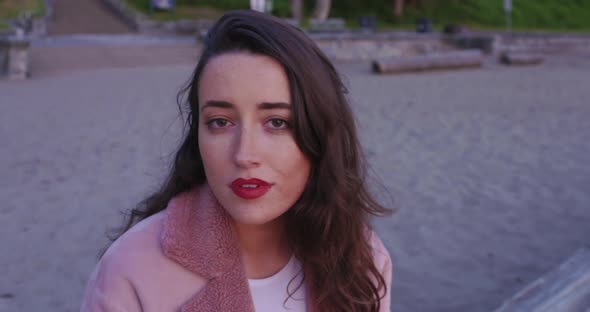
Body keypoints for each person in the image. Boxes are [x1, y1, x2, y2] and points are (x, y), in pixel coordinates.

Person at [81, 10, 392, 312]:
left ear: (321, 132)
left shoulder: (364, 261)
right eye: (220, 122)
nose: (244, 155)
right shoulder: (131, 269)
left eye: (277, 122)